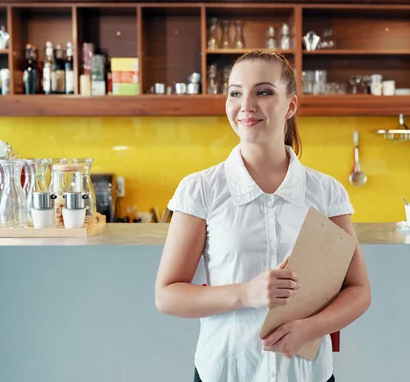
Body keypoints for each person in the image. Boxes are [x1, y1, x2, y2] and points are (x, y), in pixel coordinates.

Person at [155, 50, 371, 382]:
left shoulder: (327, 192)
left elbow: (358, 291)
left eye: (264, 91)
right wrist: (247, 293)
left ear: (291, 105)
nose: (246, 104)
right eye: (235, 92)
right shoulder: (200, 189)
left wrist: (309, 328)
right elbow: (167, 295)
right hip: (227, 372)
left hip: (306, 374)